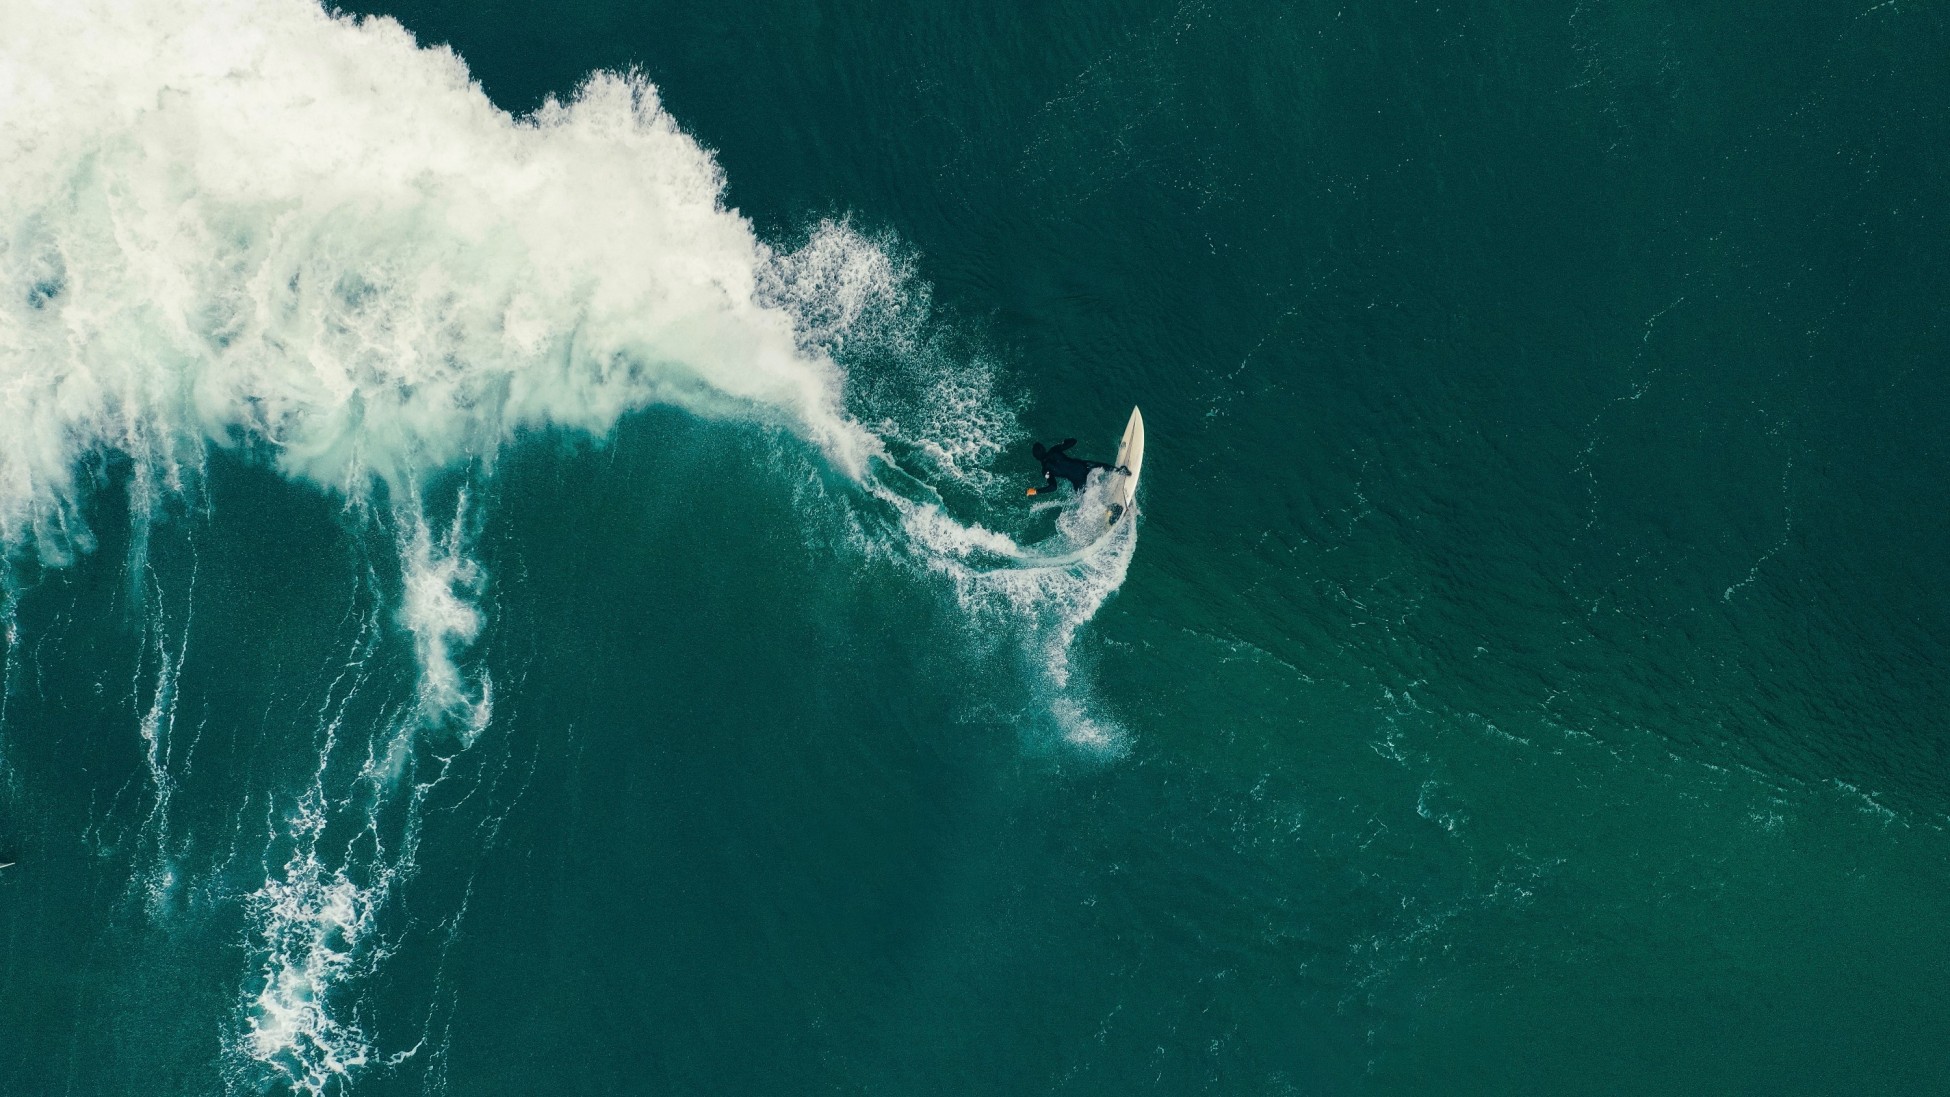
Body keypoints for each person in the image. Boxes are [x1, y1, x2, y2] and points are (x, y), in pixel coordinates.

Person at [1026, 438, 1128, 496]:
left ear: (1036, 458)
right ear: (1044, 449)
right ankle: (1120, 471)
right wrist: (1063, 442)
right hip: (1083, 467)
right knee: (1100, 466)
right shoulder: (1054, 450)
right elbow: (1073, 441)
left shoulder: (1045, 470)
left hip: (1077, 480)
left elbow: (1053, 487)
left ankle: (1107, 511)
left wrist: (1036, 491)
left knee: (1085, 496)